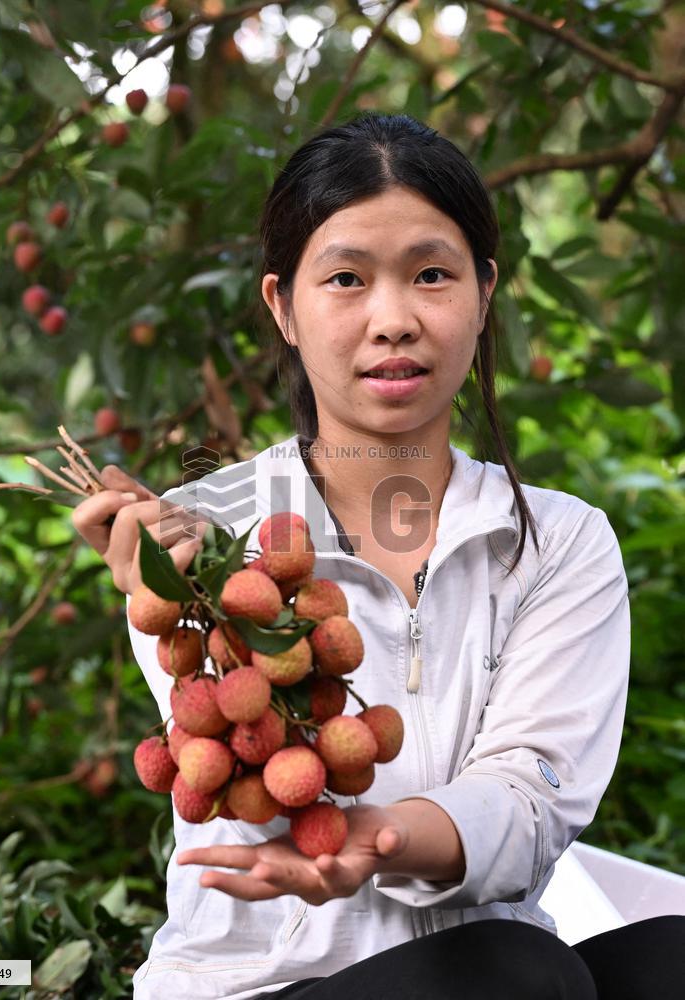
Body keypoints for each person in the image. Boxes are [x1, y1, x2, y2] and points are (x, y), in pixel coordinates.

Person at [72, 113, 685, 1000]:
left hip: (497, 970)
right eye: (346, 279)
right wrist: (178, 588)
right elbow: (248, 748)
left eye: (430, 275)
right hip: (269, 985)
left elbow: (532, 795)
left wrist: (383, 837)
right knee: (515, 974)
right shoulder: (204, 537)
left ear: (483, 294)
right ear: (283, 307)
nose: (392, 319)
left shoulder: (558, 542)